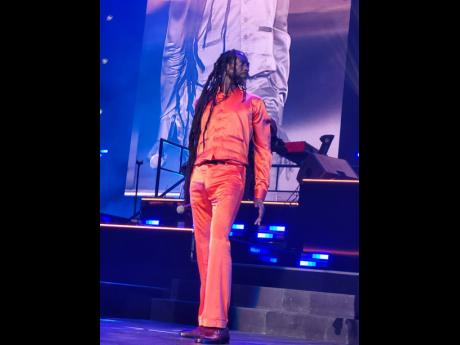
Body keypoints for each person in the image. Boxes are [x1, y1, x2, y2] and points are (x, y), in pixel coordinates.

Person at [179, 49, 272, 344]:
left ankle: (218, 324)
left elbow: (263, 150)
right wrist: (188, 185)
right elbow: (194, 143)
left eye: (247, 62)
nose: (246, 66)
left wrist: (259, 192)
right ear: (225, 65)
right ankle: (206, 321)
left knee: (219, 244)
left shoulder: (253, 104)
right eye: (240, 61)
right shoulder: (203, 102)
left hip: (230, 175)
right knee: (204, 250)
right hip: (200, 176)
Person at [147, 0, 290, 169]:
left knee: (251, 173)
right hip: (210, 84)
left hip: (259, 81)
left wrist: (277, 102)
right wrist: (167, 118)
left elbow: (280, 35)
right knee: (204, 174)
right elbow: (174, 43)